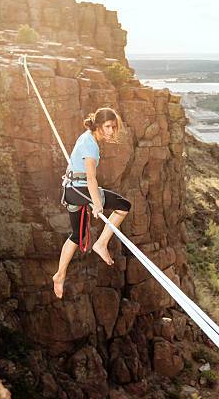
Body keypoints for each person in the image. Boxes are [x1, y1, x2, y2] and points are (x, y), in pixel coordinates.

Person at [52, 107, 132, 299]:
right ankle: (101, 244)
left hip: (71, 190)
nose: (111, 131)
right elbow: (90, 178)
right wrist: (97, 204)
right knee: (124, 206)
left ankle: (59, 274)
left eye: (113, 127)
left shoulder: (87, 136)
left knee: (77, 235)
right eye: (107, 126)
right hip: (81, 190)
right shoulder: (92, 146)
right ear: (98, 125)